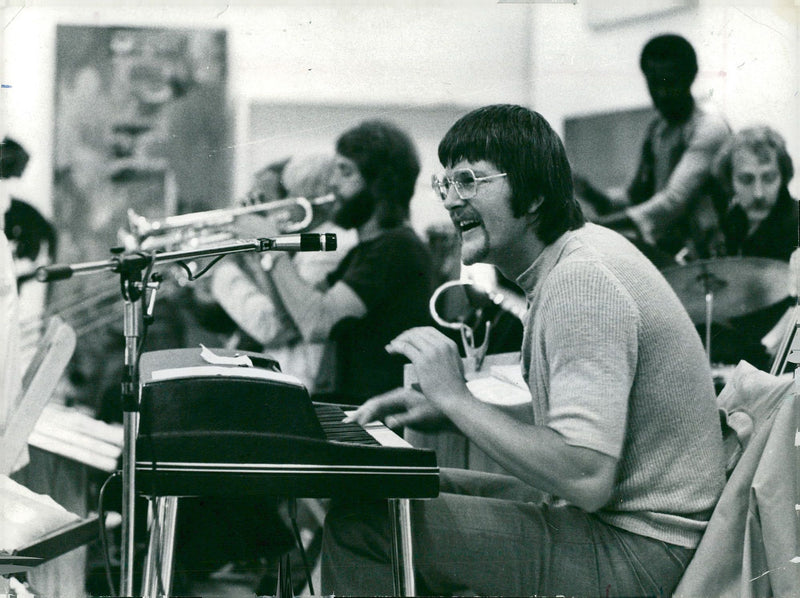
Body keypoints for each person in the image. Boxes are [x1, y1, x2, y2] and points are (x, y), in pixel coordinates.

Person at [321, 105, 726, 597]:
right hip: (629, 529)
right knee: (400, 493)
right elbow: (584, 427)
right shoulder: (573, 260)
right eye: (445, 184)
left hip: (642, 551)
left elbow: (586, 475)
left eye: (469, 181)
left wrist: (458, 399)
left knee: (366, 523)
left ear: (533, 194)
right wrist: (447, 412)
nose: (451, 201)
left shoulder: (581, 283)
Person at [230, 119, 434, 405]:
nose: (332, 183)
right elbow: (294, 317)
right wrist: (262, 252)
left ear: (380, 183)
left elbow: (317, 323)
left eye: (345, 171)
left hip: (377, 420)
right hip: (352, 409)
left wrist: (272, 244)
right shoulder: (362, 252)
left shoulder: (396, 249)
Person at [574, 34, 730, 265]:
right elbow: (635, 195)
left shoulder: (709, 127)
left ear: (690, 78)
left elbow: (672, 202)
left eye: (670, 83)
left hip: (713, 258)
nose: (662, 94)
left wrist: (591, 226)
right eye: (654, 84)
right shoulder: (658, 128)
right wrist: (588, 191)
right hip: (675, 257)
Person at [211, 153, 358, 392]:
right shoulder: (307, 243)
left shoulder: (330, 244)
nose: (285, 201)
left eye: (290, 194)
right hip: (292, 373)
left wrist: (268, 242)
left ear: (314, 200)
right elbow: (280, 308)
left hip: (305, 378)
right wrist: (261, 250)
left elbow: (282, 324)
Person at [692, 125, 798, 369]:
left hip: (780, 357)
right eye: (746, 179)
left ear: (783, 176)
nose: (759, 193)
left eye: (769, 177)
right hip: (739, 349)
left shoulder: (795, 223)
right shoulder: (731, 223)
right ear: (729, 181)